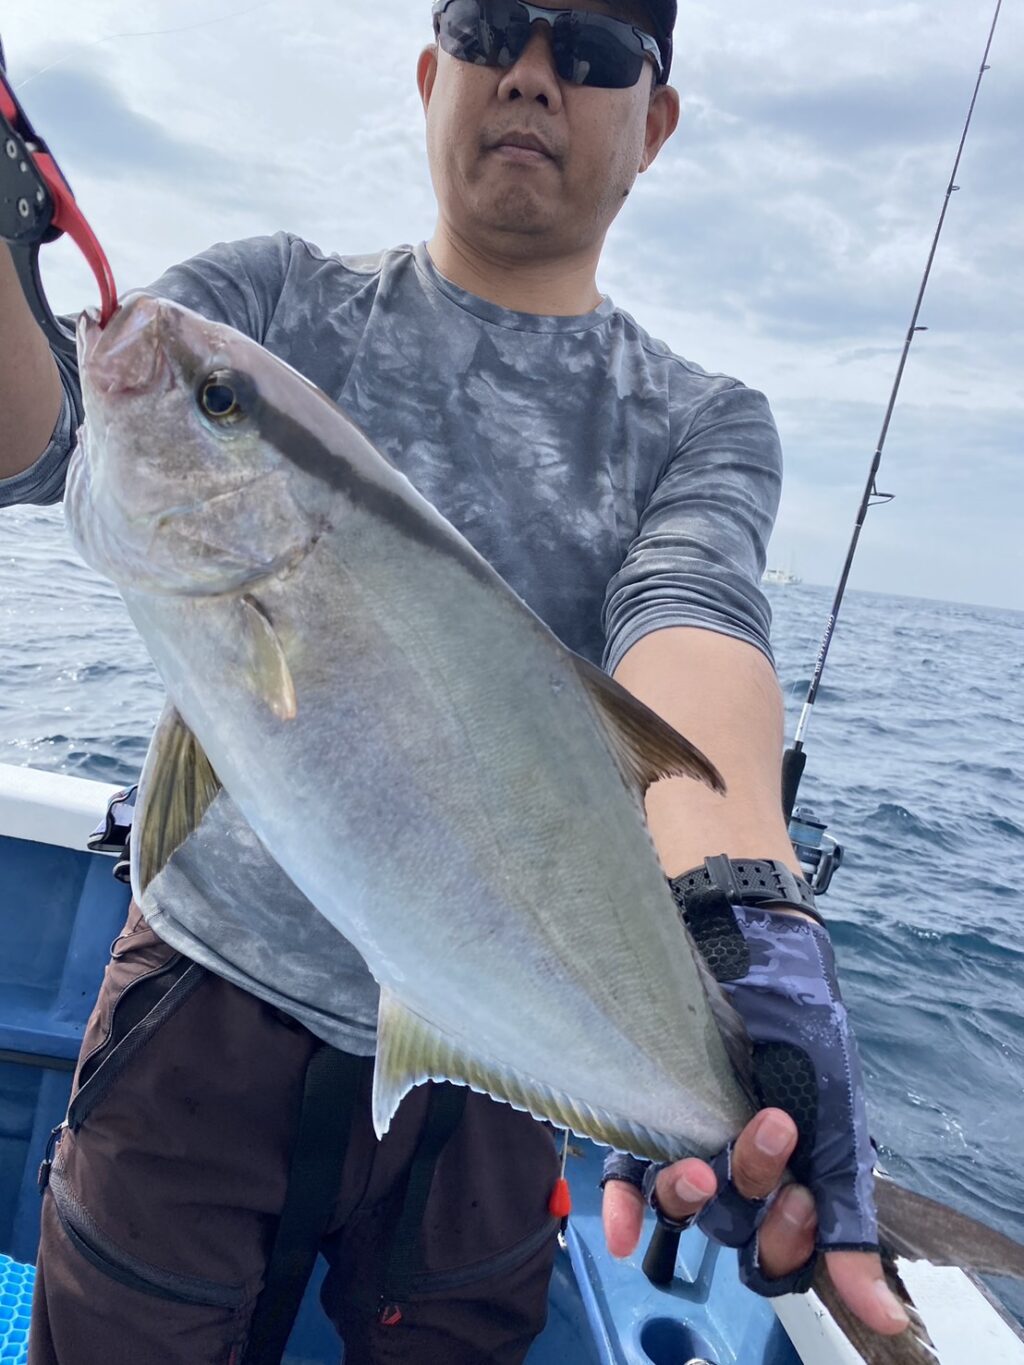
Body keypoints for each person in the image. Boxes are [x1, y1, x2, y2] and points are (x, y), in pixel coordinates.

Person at [0, 2, 910, 1361]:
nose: (533, 75)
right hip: (201, 995)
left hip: (502, 1056)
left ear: (655, 122)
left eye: (592, 53)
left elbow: (692, 616)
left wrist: (743, 906)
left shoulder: (698, 421)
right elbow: (42, 440)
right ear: (433, 73)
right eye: (492, 28)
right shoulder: (271, 303)